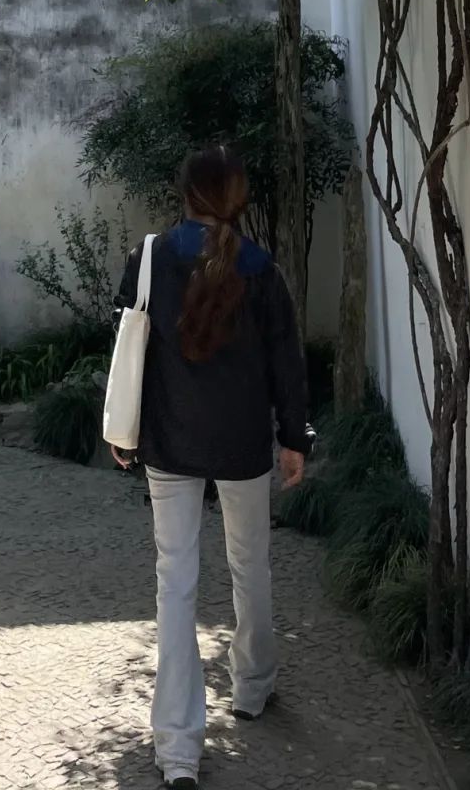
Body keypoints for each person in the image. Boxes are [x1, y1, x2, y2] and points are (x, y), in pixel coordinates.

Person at [113, 142, 309, 790]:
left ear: (185, 192)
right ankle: (252, 687)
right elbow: (286, 358)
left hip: (170, 442)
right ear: (235, 197)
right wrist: (294, 438)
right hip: (243, 443)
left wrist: (125, 427)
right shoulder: (259, 265)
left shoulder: (149, 257)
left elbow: (128, 343)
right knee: (250, 565)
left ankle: (177, 748)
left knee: (175, 583)